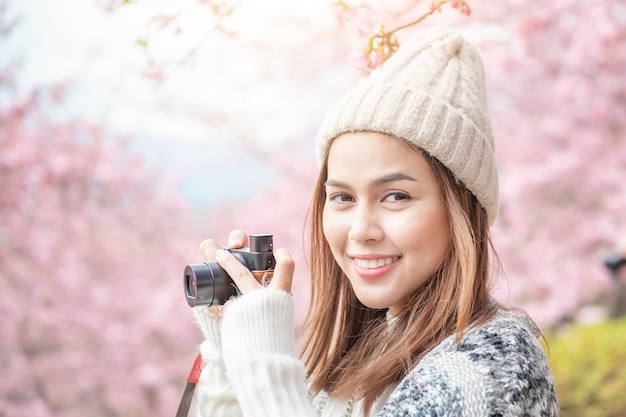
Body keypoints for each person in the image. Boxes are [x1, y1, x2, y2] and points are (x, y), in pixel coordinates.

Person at [191, 26, 560, 417]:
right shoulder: (363, 356)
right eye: (343, 198)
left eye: (396, 197)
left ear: (462, 213)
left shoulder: (488, 364)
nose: (360, 230)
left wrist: (264, 365)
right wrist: (228, 352)